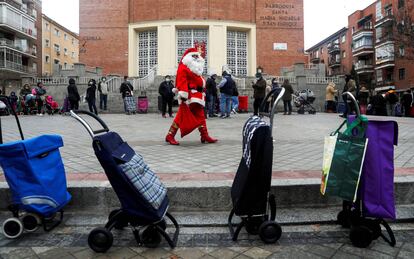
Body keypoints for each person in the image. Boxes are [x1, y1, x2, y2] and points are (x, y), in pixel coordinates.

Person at [165, 46, 217, 145]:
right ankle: (170, 135)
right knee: (182, 116)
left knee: (200, 115)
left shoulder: (196, 69)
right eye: (194, 56)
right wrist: (183, 95)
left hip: (197, 96)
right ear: (188, 57)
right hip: (189, 96)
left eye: (197, 56)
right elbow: (181, 80)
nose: (196, 58)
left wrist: (203, 90)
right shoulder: (184, 66)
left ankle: (204, 135)